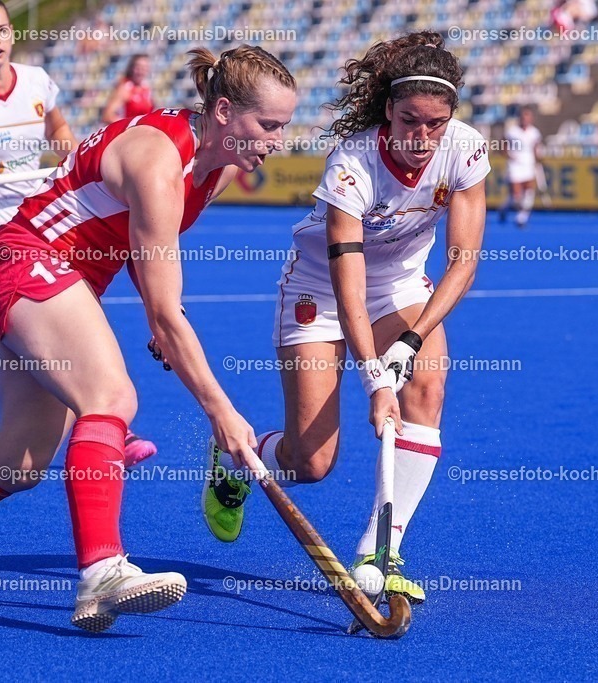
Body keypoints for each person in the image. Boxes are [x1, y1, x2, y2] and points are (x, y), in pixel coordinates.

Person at [0, 44, 296, 633]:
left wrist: (165, 319)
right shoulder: (159, 159)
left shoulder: (215, 170)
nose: (278, 141)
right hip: (28, 262)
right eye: (269, 125)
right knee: (111, 400)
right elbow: (162, 308)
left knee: (17, 466)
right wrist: (221, 412)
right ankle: (102, 571)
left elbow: (147, 263)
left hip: (56, 279)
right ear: (225, 111)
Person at [200, 31, 488, 606]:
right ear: (388, 109)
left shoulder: (466, 149)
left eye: (435, 123)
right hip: (320, 291)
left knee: (428, 384)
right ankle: (241, 455)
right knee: (311, 464)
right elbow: (346, 286)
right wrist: (375, 378)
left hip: (402, 287)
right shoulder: (352, 164)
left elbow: (462, 263)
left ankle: (382, 551)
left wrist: (409, 342)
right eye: (409, 120)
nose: (422, 137)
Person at [0, 0, 156, 465]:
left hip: (43, 222)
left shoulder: (37, 81)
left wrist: (75, 158)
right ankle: (108, 421)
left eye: (1, 30)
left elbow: (59, 131)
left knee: (54, 321)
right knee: (25, 330)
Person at [500, 107, 542, 228]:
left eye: (528, 117)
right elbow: (503, 145)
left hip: (528, 164)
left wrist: (538, 160)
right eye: (523, 117)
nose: (525, 119)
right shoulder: (512, 131)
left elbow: (536, 148)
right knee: (516, 196)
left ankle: (521, 218)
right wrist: (509, 155)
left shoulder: (534, 132)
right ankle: (504, 209)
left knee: (528, 192)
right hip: (515, 165)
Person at [100, 54, 154, 124]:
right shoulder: (125, 88)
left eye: (144, 68)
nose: (141, 71)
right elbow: (107, 116)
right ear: (132, 68)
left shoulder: (147, 89)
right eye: (138, 67)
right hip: (128, 131)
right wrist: (130, 126)